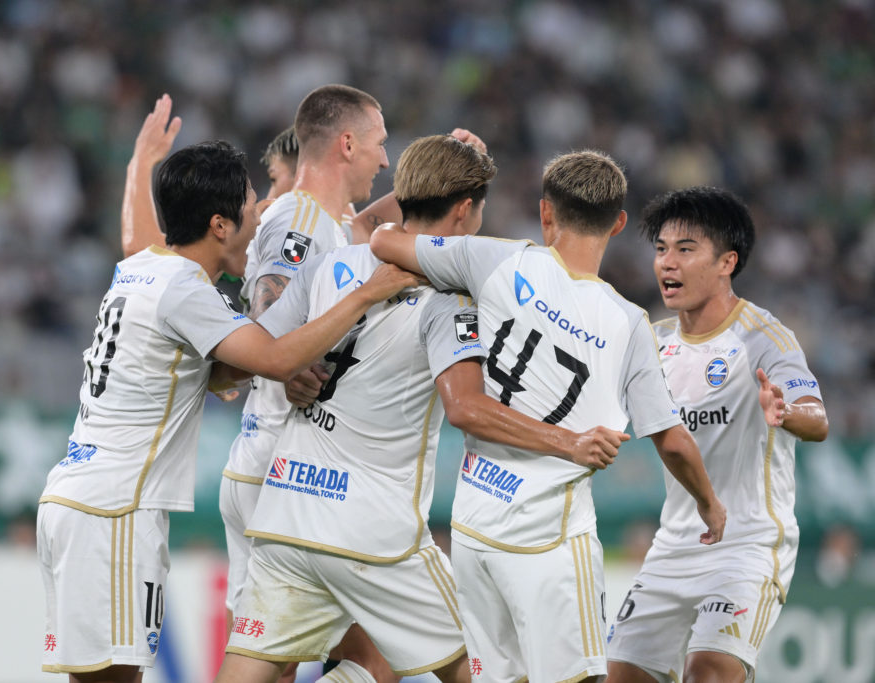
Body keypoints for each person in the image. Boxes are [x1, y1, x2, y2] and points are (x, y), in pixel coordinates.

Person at [216, 135, 627, 683]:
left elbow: (253, 354)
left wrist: (291, 371)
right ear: (465, 211)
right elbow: (466, 408)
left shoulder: (330, 264)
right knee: (485, 667)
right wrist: (569, 443)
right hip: (375, 534)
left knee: (276, 671)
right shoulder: (449, 296)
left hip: (287, 511)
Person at [36, 140, 418, 682]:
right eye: (252, 208)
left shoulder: (140, 269)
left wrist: (140, 165)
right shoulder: (185, 292)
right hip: (113, 510)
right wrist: (364, 294)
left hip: (78, 497)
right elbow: (276, 356)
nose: (260, 220)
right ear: (219, 225)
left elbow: (213, 359)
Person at [370, 150, 727, 683]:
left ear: (545, 213)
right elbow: (672, 441)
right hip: (550, 541)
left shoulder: (492, 259)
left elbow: (382, 240)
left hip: (474, 527)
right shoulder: (629, 324)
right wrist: (709, 504)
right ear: (618, 224)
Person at [605, 187, 828, 683]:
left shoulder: (763, 337)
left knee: (706, 673)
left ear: (727, 261)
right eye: (661, 249)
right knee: (620, 677)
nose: (668, 263)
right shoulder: (652, 342)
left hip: (747, 545)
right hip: (673, 547)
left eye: (686, 249)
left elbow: (818, 419)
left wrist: (785, 411)